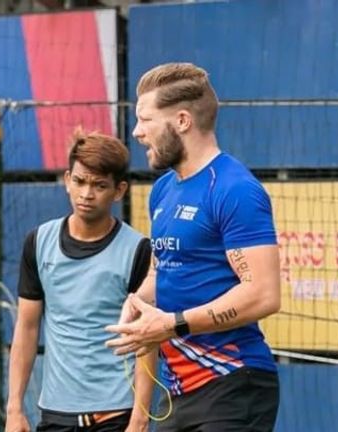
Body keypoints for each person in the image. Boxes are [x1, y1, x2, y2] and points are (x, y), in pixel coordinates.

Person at [105, 62, 282, 432]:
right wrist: (138, 301)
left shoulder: (234, 189)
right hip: (179, 391)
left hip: (235, 383)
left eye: (146, 120)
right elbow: (161, 267)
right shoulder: (163, 190)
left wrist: (173, 324)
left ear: (182, 121)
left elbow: (264, 295)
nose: (136, 132)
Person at [6, 128, 154, 432]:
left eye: (99, 185)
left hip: (116, 415)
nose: (87, 194)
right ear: (66, 181)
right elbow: (27, 326)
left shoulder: (138, 250)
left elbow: (147, 339)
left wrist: (139, 418)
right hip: (55, 414)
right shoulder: (38, 241)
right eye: (79, 181)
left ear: (119, 191)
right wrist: (14, 407)